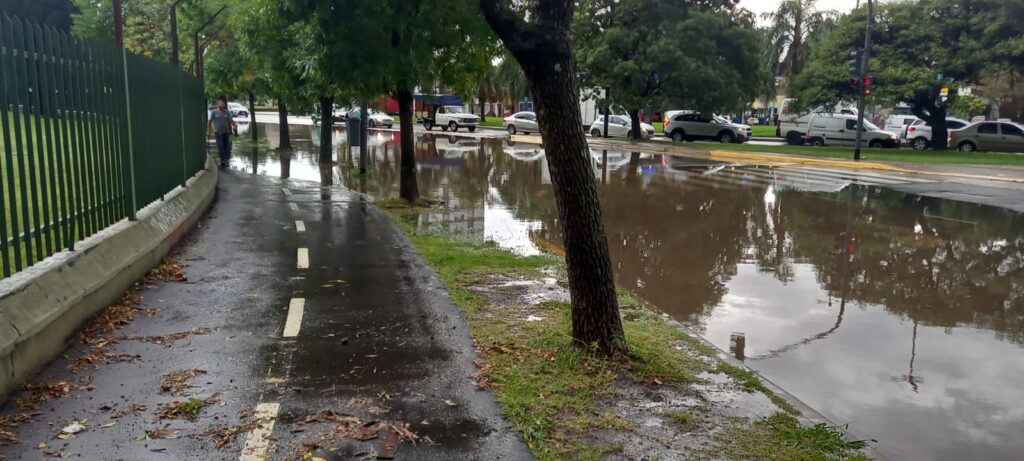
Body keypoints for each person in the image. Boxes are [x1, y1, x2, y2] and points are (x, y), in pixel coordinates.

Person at [208, 96, 237, 167]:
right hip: (218, 133)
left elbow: (231, 121)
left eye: (222, 104)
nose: (221, 105)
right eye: (219, 104)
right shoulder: (213, 113)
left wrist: (235, 126)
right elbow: (209, 121)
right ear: (217, 104)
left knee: (226, 147)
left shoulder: (227, 113)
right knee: (220, 146)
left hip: (226, 132)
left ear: (224, 105)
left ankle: (224, 159)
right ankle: (224, 160)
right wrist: (209, 131)